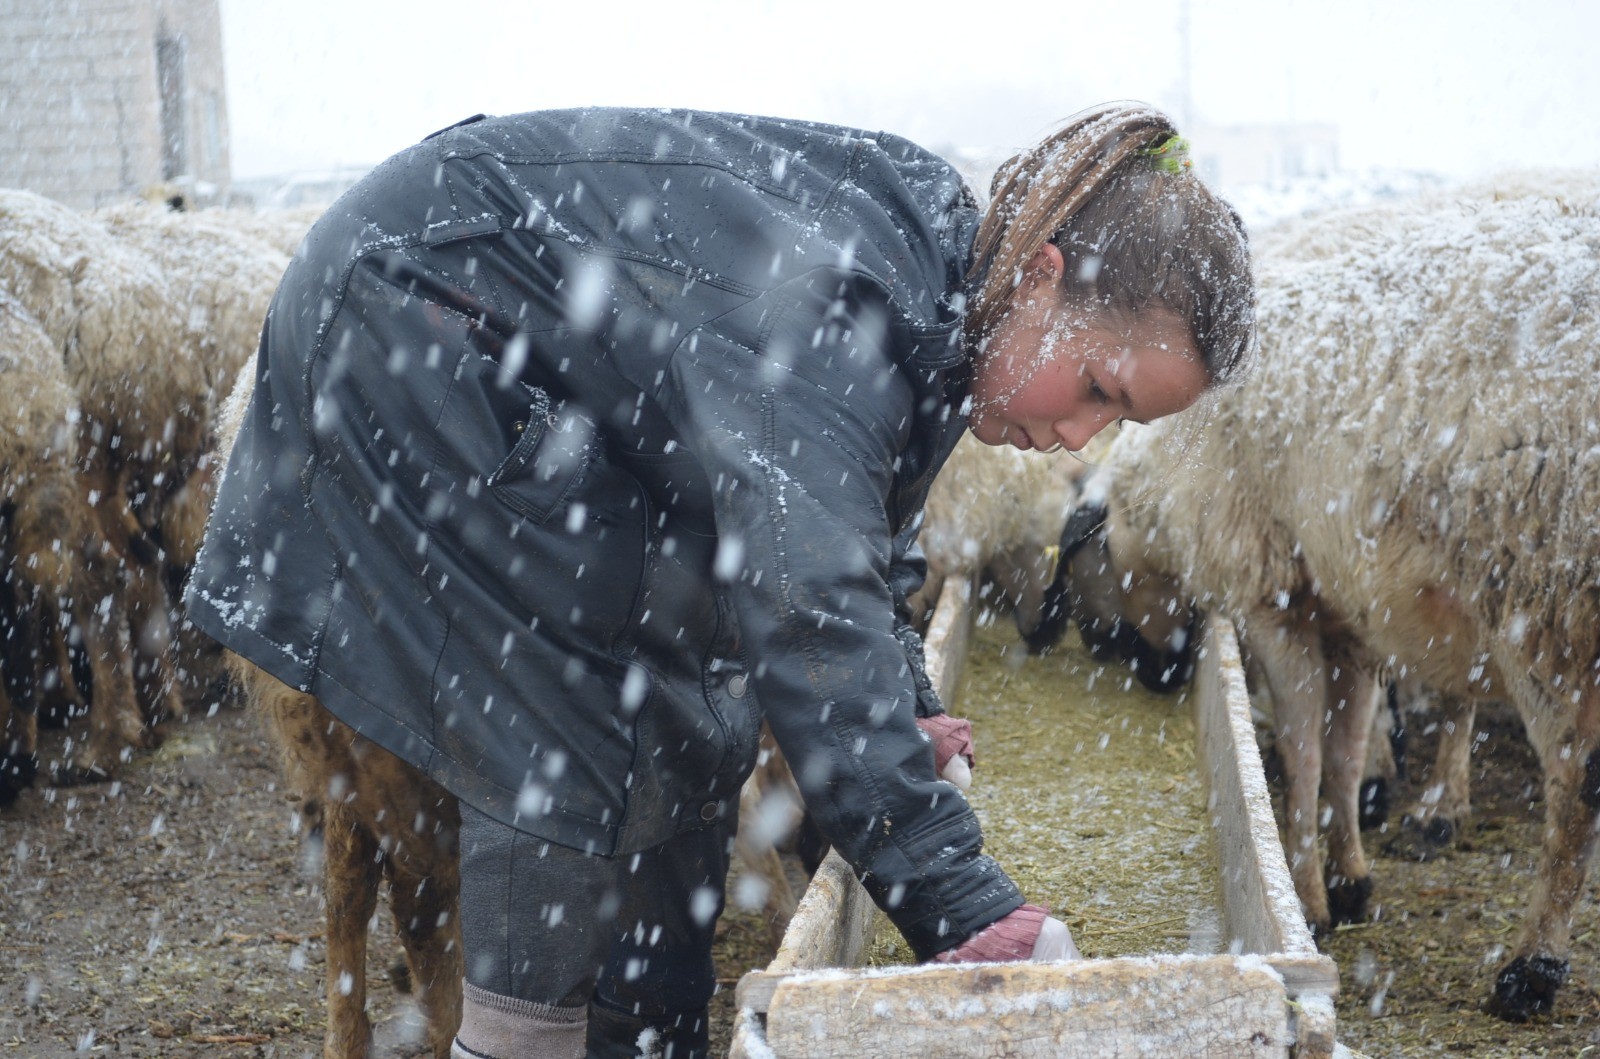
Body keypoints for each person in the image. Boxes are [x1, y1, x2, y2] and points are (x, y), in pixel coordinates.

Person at [185, 101, 1253, 1059]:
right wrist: (969, 913)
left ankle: (651, 1032)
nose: (1076, 432)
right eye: (1098, 387)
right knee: (563, 691)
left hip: (494, 331)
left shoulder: (939, 292)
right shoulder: (853, 304)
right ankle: (525, 1040)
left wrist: (907, 708)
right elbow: (808, 610)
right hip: (415, 316)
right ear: (1044, 277)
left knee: (691, 701)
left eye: (1116, 422)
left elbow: (860, 542)